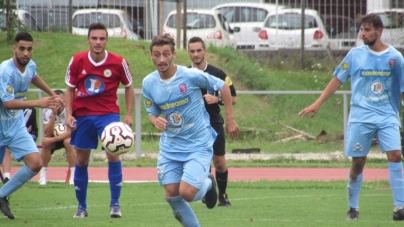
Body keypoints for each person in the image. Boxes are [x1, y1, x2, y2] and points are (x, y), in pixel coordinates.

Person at [298, 13, 404, 221]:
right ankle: (353, 207)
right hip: (360, 117)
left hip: (387, 116)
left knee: (396, 156)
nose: (362, 34)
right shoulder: (355, 55)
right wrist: (318, 103)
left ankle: (399, 207)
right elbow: (338, 79)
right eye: (361, 30)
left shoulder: (396, 59)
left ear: (379, 31)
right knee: (358, 162)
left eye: (366, 30)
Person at [142, 34, 239, 226]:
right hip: (171, 146)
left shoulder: (190, 75)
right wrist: (155, 121)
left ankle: (209, 183)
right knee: (171, 193)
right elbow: (152, 112)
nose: (161, 59)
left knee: (186, 193)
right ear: (151, 56)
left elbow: (224, 87)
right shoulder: (149, 83)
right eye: (157, 55)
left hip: (198, 143)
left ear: (174, 55)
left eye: (166, 54)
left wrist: (230, 118)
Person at [65, 22, 134, 219]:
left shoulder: (119, 62)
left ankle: (115, 204)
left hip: (108, 114)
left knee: (113, 155)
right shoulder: (77, 60)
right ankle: (82, 206)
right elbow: (69, 89)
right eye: (94, 38)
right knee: (81, 159)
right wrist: (69, 114)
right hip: (83, 115)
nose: (98, 42)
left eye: (102, 38)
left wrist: (128, 115)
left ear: (107, 40)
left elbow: (129, 86)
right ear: (88, 40)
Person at [0, 31, 63, 219]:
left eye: (29, 49)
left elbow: (33, 76)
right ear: (14, 49)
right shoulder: (6, 71)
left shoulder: (30, 65)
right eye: (22, 49)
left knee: (36, 163)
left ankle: (2, 195)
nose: (26, 53)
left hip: (15, 126)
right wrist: (39, 102)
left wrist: (53, 94)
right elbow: (7, 103)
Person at [187, 36, 237, 207]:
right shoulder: (184, 74)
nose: (196, 54)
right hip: (193, 124)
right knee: (201, 161)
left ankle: (223, 196)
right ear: (188, 53)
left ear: (205, 51)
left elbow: (234, 97)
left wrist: (218, 100)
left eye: (199, 50)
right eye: (192, 51)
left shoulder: (217, 73)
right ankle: (208, 192)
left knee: (219, 162)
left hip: (213, 121)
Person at [39, 89, 76, 185]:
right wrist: (53, 114)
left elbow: (70, 133)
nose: (58, 104)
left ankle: (73, 177)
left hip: (66, 137)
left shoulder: (70, 110)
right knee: (46, 143)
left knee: (68, 142)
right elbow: (47, 132)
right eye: (56, 101)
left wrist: (52, 139)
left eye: (61, 101)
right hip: (52, 136)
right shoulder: (47, 110)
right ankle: (42, 176)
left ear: (64, 101)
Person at [2, 106, 38, 183]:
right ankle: (6, 177)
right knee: (6, 148)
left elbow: (20, 126)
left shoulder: (29, 109)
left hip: (28, 134)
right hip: (9, 134)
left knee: (34, 161)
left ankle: (23, 177)